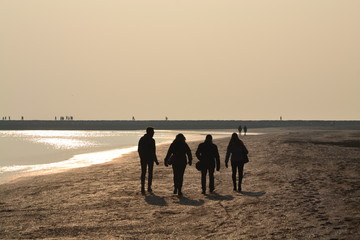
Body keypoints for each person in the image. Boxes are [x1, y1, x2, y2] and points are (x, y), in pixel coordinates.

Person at [138, 127, 159, 194]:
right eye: (153, 132)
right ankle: (145, 187)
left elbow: (153, 151)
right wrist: (155, 160)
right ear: (149, 132)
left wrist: (155, 160)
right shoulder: (147, 140)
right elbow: (140, 150)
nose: (153, 133)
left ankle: (146, 187)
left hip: (148, 159)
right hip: (147, 158)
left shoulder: (146, 139)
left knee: (146, 173)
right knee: (147, 173)